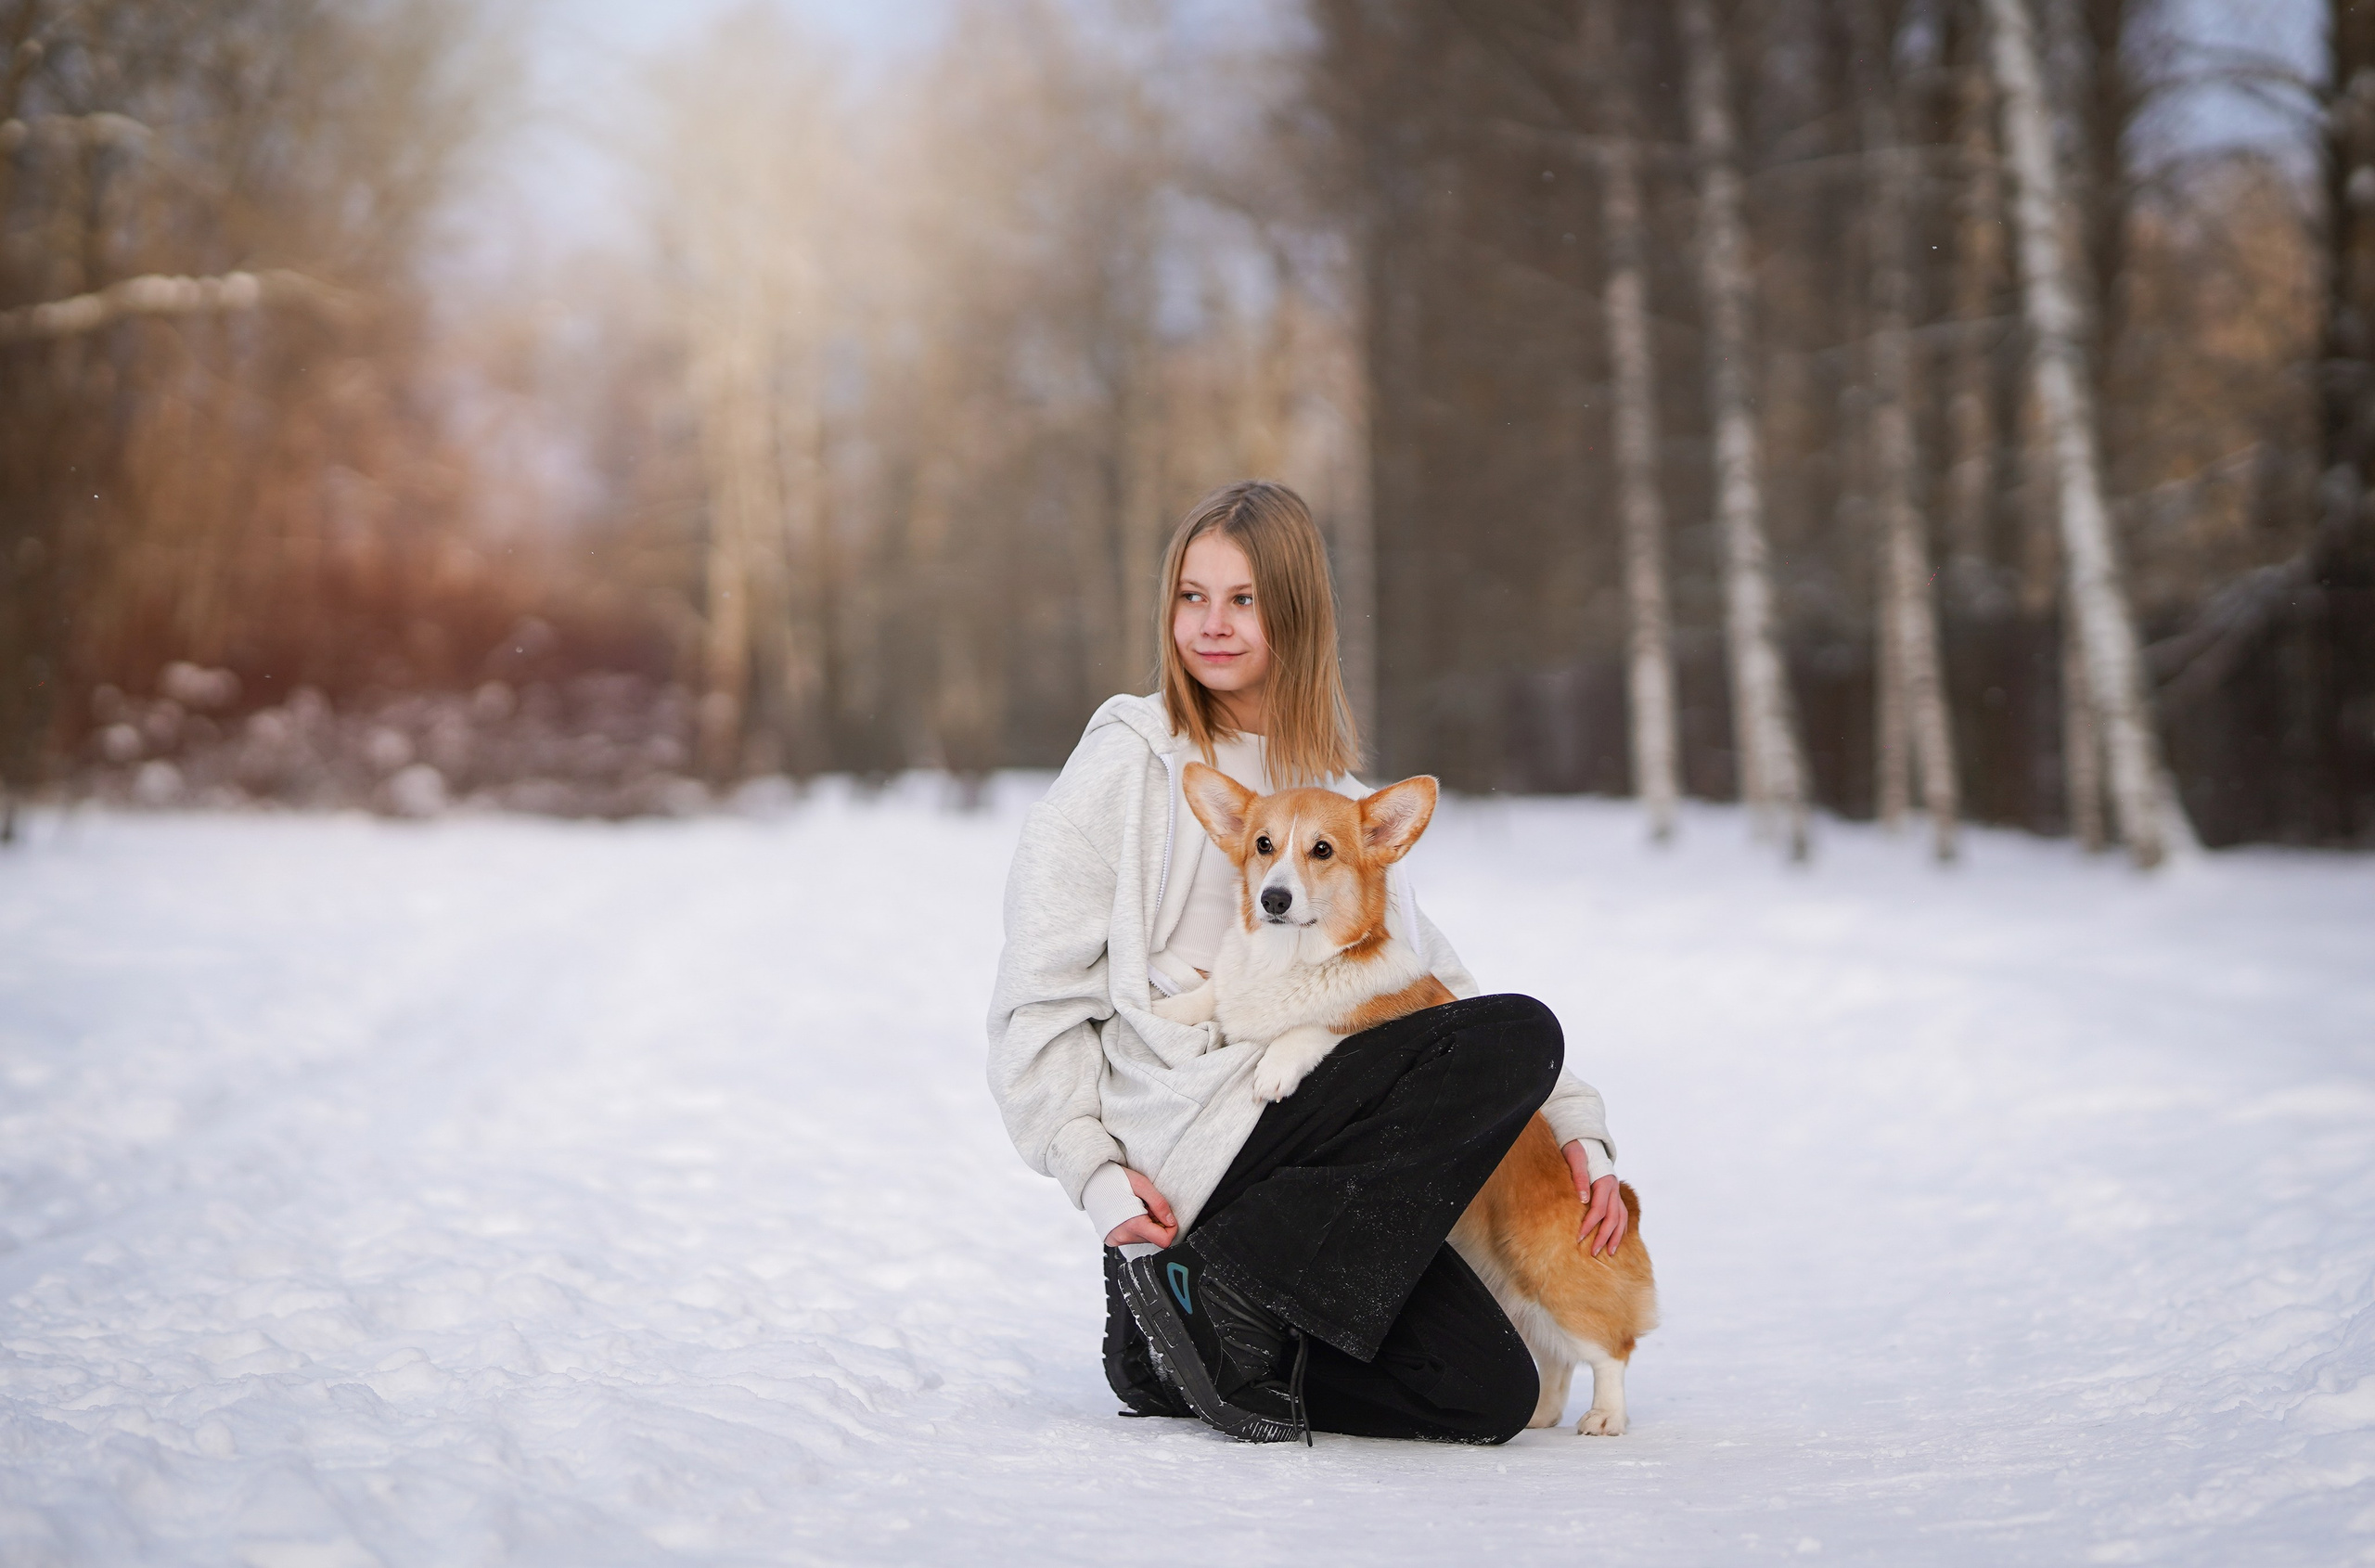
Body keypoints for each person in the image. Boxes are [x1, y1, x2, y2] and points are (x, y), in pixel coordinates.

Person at [986, 480, 1628, 1445]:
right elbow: (1035, 999)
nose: (1209, 624)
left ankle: (1178, 1344)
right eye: (1190, 595)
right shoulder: (1127, 761)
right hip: (1198, 1125)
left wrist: (1572, 1125)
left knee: (1483, 1393)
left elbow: (1434, 991)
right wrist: (1094, 1171)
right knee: (1514, 1035)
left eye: (1242, 599)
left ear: (1297, 612)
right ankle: (1200, 1279)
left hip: (1316, 1131)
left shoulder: (1335, 795)